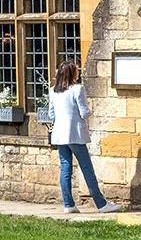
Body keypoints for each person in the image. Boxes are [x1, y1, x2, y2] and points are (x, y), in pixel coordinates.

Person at [49, 60, 121, 214]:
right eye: (76, 69)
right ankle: (101, 204)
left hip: (60, 135)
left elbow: (51, 114)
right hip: (75, 134)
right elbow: (84, 113)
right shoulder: (77, 89)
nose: (78, 71)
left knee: (65, 169)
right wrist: (92, 111)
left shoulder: (53, 91)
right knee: (87, 168)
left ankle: (68, 205)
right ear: (71, 73)